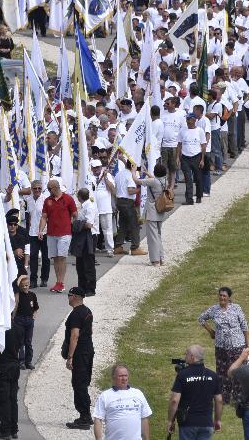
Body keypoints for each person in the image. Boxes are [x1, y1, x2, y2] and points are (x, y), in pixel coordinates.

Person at [198, 286, 249, 405]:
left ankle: (238, 396)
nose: (222, 298)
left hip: (237, 345)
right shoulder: (214, 309)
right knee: (222, 371)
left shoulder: (236, 308)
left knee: (237, 370)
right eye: (220, 295)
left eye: (224, 296)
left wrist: (248, 344)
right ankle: (223, 396)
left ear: (229, 298)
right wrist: (211, 331)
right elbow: (201, 318)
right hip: (221, 346)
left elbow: (244, 326)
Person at [167, 345, 223, 440]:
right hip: (206, 423)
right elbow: (219, 400)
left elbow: (174, 400)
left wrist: (170, 421)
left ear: (192, 357)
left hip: (187, 423)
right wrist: (217, 420)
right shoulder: (213, 375)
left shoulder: (183, 374)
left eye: (186, 354)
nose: (185, 357)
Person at [38, 179, 78, 293]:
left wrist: (70, 221)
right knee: (55, 258)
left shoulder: (68, 198)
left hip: (64, 233)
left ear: (56, 187)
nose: (49, 191)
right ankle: (57, 282)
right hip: (51, 233)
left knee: (61, 257)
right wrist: (41, 230)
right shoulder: (47, 200)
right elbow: (44, 217)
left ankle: (61, 282)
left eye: (50, 189)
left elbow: (75, 214)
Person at [63, 287, 94, 430]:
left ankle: (84, 418)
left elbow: (74, 336)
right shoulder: (87, 311)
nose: (68, 297)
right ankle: (86, 415)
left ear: (74, 296)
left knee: (78, 384)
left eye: (69, 295)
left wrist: (70, 357)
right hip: (88, 351)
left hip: (80, 353)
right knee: (83, 382)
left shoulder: (76, 314)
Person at [93, 364, 152, 440]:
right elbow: (98, 419)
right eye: (120, 376)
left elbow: (144, 418)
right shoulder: (105, 396)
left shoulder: (138, 393)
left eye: (125, 375)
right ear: (113, 378)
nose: (124, 378)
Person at [136, 164, 169, 266]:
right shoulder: (165, 180)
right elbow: (154, 179)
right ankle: (161, 257)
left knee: (152, 237)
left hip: (152, 211)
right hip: (160, 211)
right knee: (158, 235)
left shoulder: (153, 182)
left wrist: (133, 171)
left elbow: (137, 181)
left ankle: (155, 260)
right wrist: (147, 173)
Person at [113, 160, 147, 256]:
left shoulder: (119, 174)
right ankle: (135, 247)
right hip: (128, 202)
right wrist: (140, 190)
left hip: (119, 201)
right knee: (134, 225)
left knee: (123, 225)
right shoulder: (130, 176)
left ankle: (118, 246)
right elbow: (130, 191)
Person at [72, 188, 97, 296]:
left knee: (88, 264)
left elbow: (89, 224)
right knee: (80, 263)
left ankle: (90, 288)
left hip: (89, 237)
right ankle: (81, 287)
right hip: (81, 237)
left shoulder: (89, 207)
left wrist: (76, 224)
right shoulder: (83, 206)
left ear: (79, 197)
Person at [177, 113, 206, 205]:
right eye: (187, 119)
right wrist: (178, 157)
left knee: (198, 178)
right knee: (188, 179)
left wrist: (202, 159)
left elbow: (203, 145)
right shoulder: (182, 130)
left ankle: (198, 196)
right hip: (185, 158)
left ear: (194, 120)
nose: (187, 121)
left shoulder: (200, 131)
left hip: (196, 156)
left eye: (189, 119)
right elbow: (179, 144)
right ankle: (189, 199)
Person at [26, 180, 50, 288]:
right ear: (31, 189)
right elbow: (29, 216)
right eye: (35, 188)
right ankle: (33, 280)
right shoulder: (29, 199)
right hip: (33, 233)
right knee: (33, 256)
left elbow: (49, 216)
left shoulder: (46, 199)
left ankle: (44, 279)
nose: (37, 190)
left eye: (39, 188)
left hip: (45, 232)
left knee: (46, 257)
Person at [13, 275, 39, 369]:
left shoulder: (32, 295)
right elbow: (16, 284)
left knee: (28, 342)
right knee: (20, 342)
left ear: (29, 285)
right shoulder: (18, 295)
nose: (25, 287)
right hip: (19, 319)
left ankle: (29, 361)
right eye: (23, 285)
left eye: (26, 285)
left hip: (29, 320)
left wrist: (34, 315)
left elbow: (36, 307)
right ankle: (21, 361)